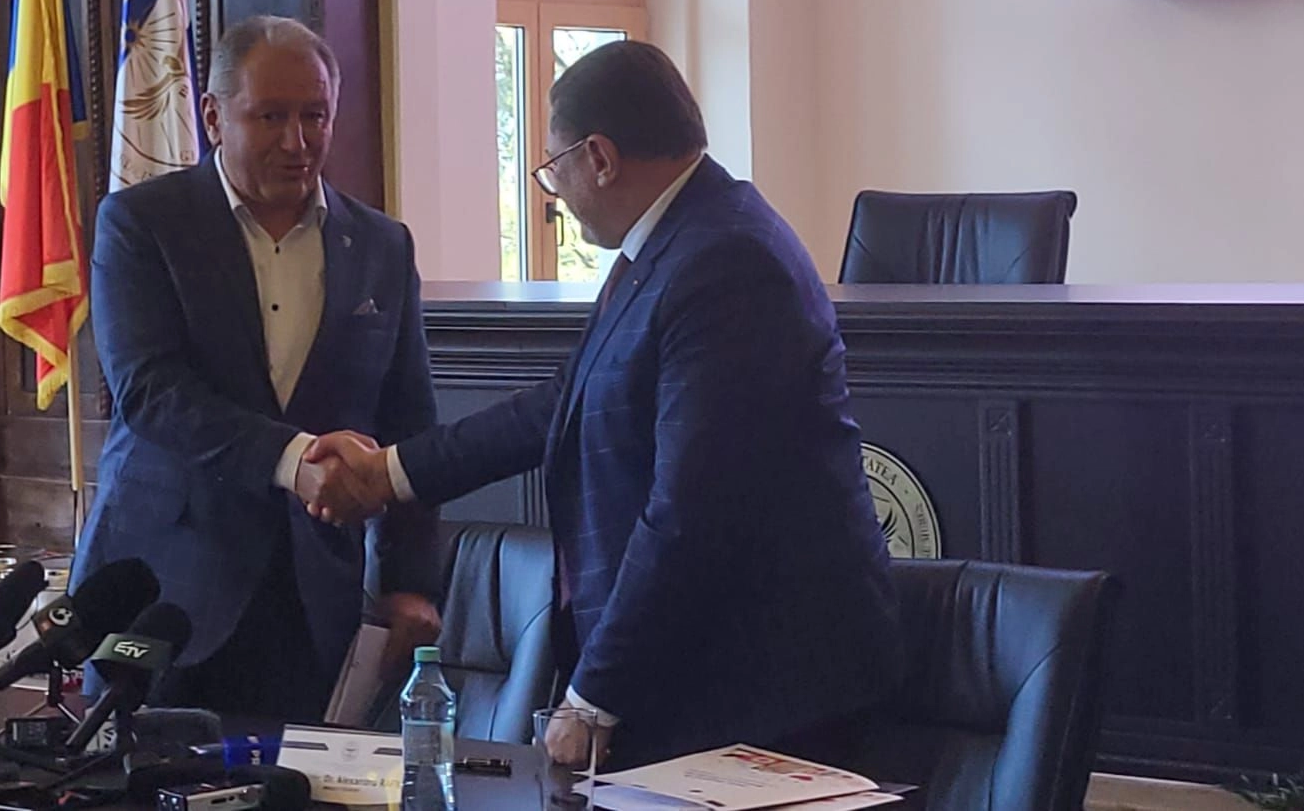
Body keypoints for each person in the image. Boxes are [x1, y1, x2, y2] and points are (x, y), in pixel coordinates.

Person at [303, 41, 901, 769]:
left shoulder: (728, 261)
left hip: (766, 686)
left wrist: (593, 699)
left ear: (600, 158)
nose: (553, 189)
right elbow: (561, 404)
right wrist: (390, 472)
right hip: (709, 672)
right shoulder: (676, 243)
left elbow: (688, 511)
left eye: (553, 167)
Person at [70, 15, 441, 722]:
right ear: (214, 117)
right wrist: (293, 460)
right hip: (162, 592)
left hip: (314, 603)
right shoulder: (142, 225)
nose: (297, 142)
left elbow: (409, 423)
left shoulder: (382, 246)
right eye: (270, 117)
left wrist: (410, 581)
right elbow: (150, 391)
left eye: (315, 116)